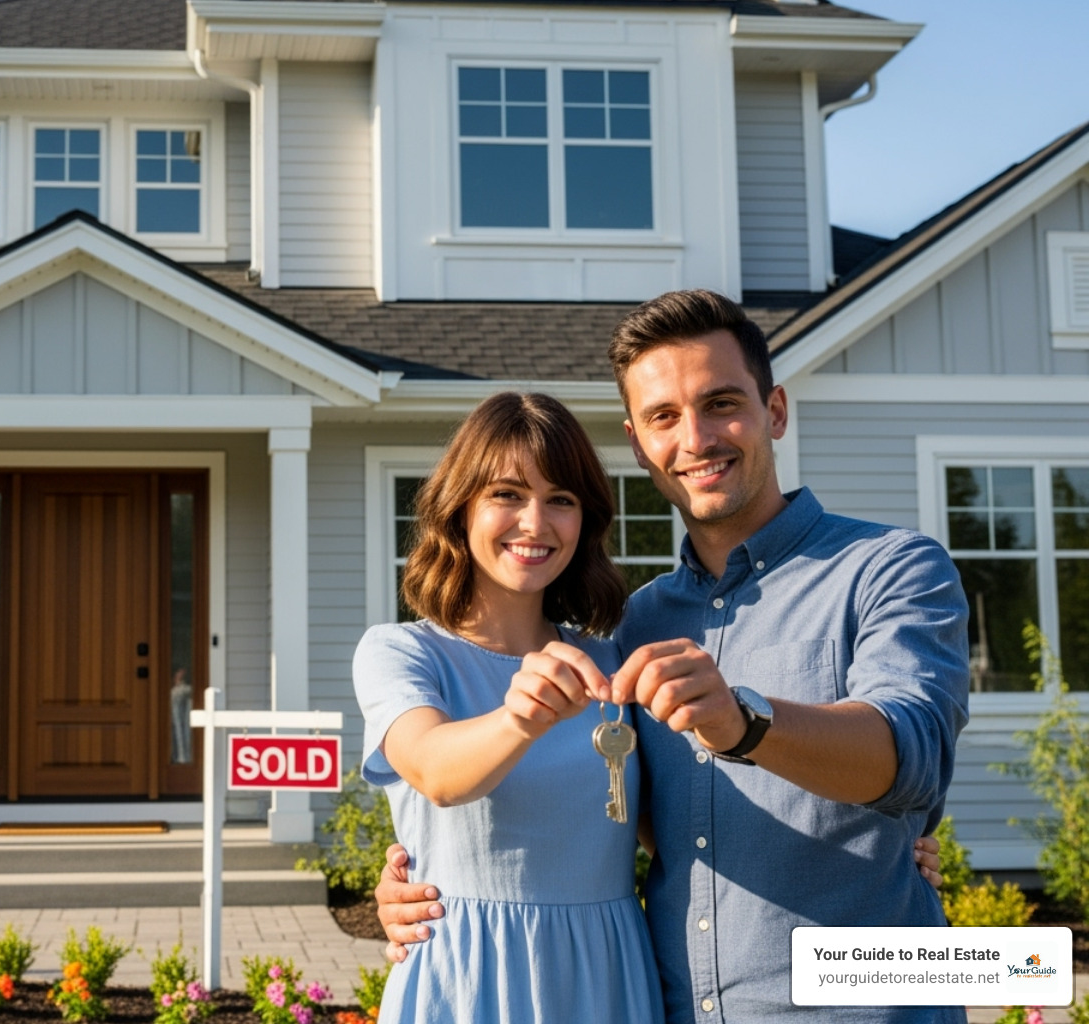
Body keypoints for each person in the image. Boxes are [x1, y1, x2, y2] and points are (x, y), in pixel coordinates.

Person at [374, 290, 970, 1024]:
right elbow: (620, 811)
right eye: (663, 417)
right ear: (638, 441)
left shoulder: (890, 567)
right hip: (665, 1002)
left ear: (774, 411)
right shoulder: (633, 627)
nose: (696, 438)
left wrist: (745, 723)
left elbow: (910, 755)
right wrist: (426, 871)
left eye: (721, 403)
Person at [354, 391, 664, 1021]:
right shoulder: (401, 653)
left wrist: (872, 846)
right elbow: (437, 773)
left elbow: (680, 828)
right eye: (506, 494)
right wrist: (521, 715)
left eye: (561, 500)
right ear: (459, 506)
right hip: (465, 980)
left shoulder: (615, 666)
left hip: (606, 975)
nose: (535, 522)